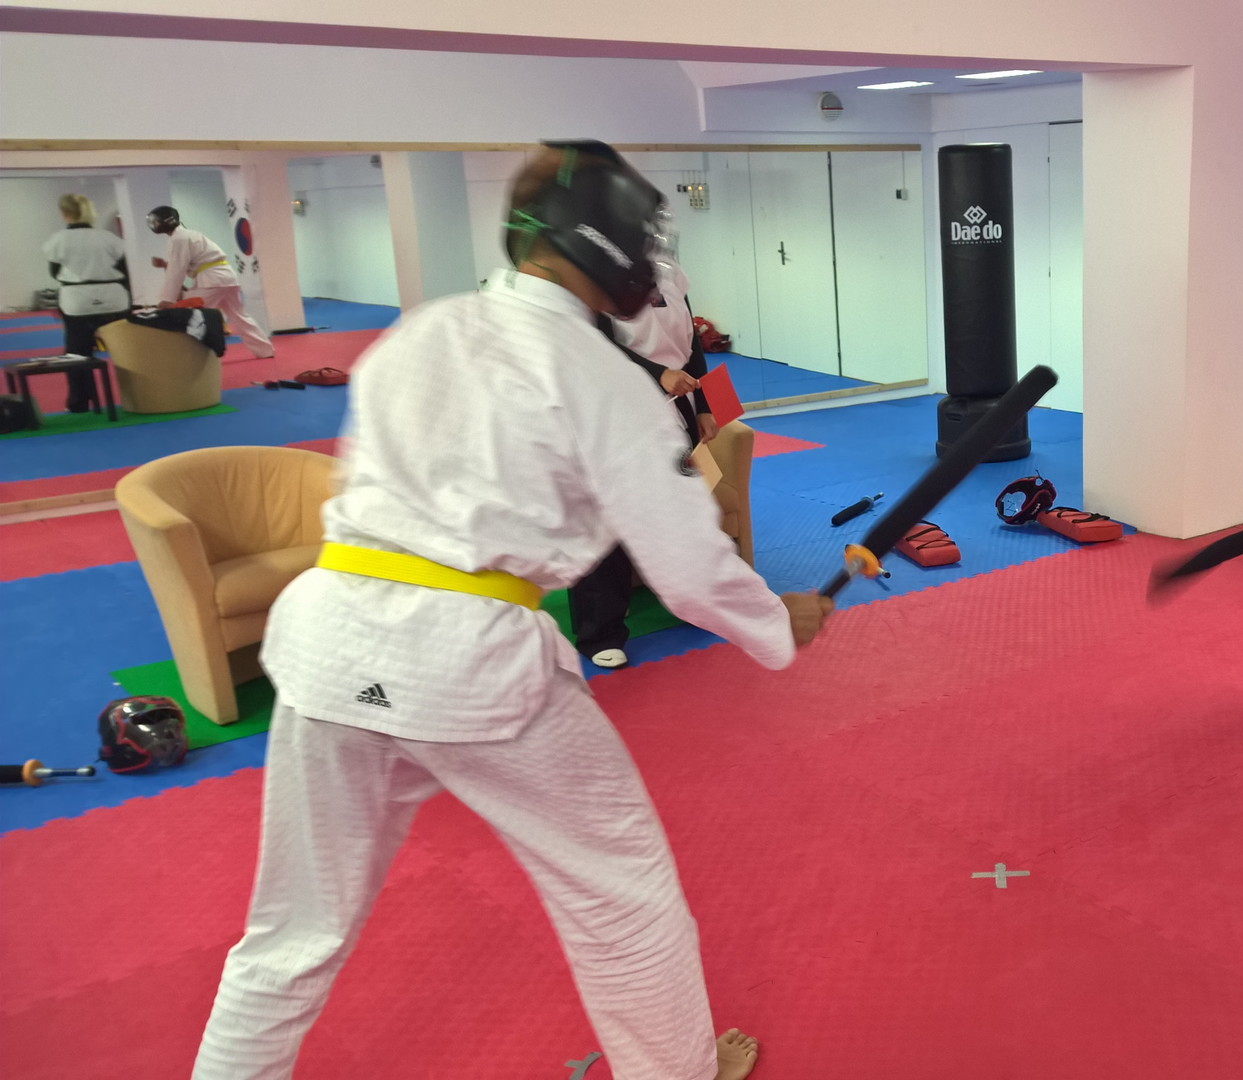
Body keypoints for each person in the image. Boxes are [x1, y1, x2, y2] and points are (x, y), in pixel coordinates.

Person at [191, 140, 830, 1080]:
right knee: (621, 897)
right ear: (603, 240)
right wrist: (777, 620)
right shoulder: (596, 373)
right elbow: (688, 565)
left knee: (290, 931)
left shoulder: (423, 331)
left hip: (327, 640)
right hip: (469, 662)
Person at [573, 234, 720, 670]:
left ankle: (691, 599)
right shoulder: (594, 281)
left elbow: (692, 346)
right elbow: (594, 344)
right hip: (615, 411)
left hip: (676, 408)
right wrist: (658, 374)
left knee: (680, 506)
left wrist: (705, 406)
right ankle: (600, 632)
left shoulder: (672, 279)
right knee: (609, 521)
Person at [146, 205, 275, 358]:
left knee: (190, 314)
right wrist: (165, 265)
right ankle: (265, 350)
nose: (154, 225)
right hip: (227, 278)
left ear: (166, 221)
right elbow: (183, 265)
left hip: (212, 281)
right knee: (240, 316)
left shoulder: (179, 238)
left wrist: (167, 299)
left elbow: (177, 270)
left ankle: (193, 355)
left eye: (156, 221)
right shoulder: (189, 234)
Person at [41, 193, 130, 412]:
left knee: (77, 354)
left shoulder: (58, 239)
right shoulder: (108, 238)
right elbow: (124, 270)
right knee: (127, 351)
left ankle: (79, 403)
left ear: (64, 213)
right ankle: (137, 396)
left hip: (77, 301)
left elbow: (55, 272)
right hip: (114, 300)